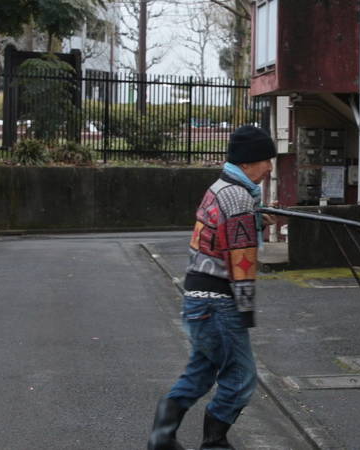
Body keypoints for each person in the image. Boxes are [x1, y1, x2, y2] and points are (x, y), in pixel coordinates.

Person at [148, 125, 276, 450]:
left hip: (198, 298)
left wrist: (255, 219)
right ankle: (214, 442)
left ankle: (162, 437)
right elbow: (241, 260)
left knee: (202, 372)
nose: (270, 168)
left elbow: (223, 235)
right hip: (219, 302)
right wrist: (246, 310)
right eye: (266, 160)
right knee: (242, 377)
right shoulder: (238, 197)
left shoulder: (222, 187)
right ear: (247, 163)